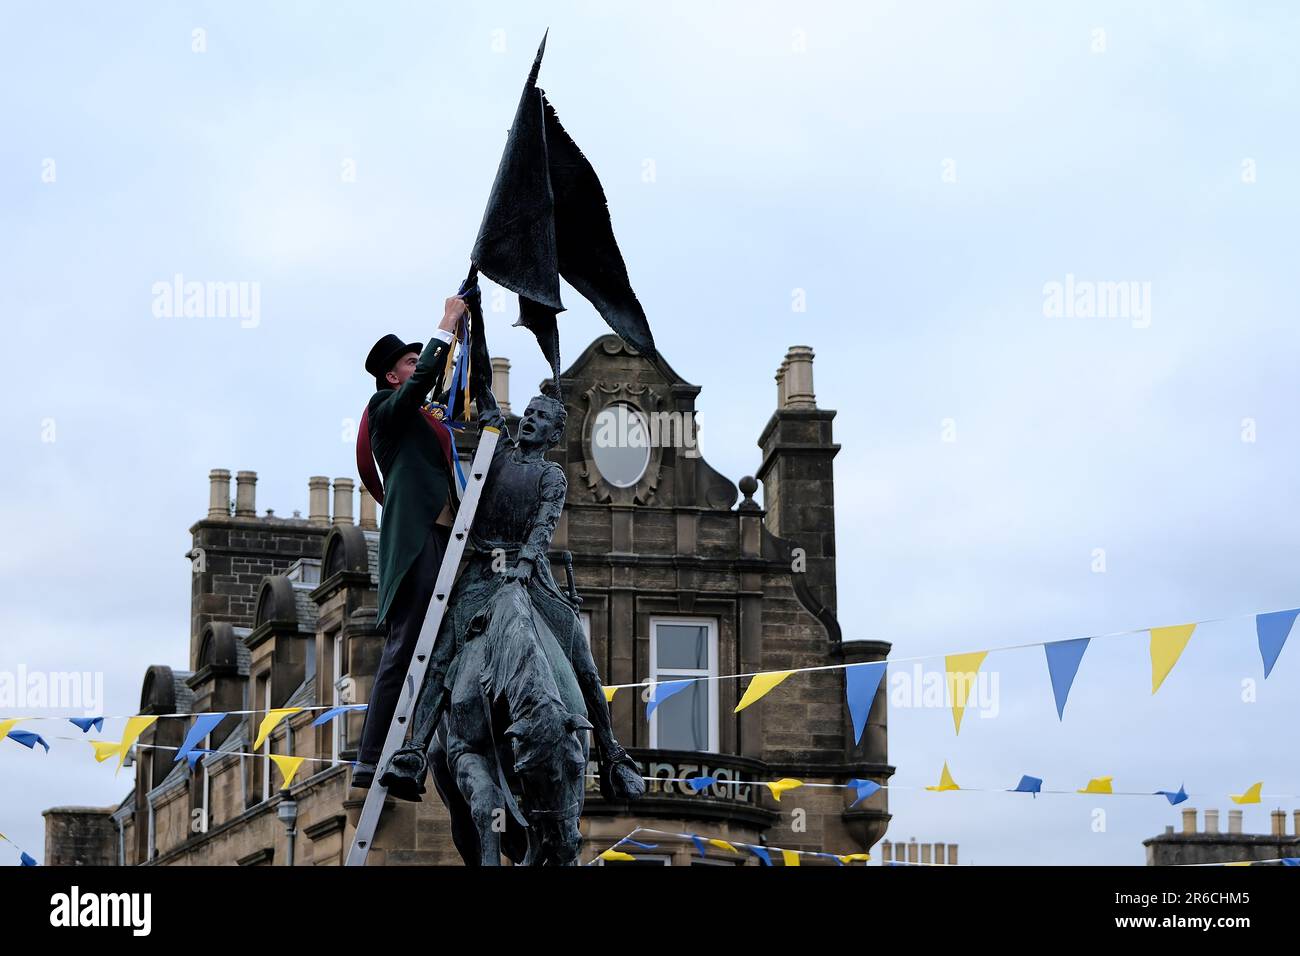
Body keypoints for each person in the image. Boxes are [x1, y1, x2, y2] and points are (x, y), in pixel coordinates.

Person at [381, 374, 646, 804]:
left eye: (542, 418)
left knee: (581, 657)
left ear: (554, 434)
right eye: (530, 412)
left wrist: (524, 566)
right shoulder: (497, 449)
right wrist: (476, 319)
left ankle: (613, 753)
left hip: (530, 575)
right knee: (441, 651)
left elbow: (543, 527)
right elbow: (482, 386)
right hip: (484, 570)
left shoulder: (551, 477)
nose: (531, 420)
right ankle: (413, 752)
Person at [351, 295, 468, 789]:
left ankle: (413, 755)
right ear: (393, 376)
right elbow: (426, 376)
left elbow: (436, 387)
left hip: (445, 535)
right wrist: (446, 323)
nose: (415, 365)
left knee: (439, 648)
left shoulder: (424, 415)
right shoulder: (386, 409)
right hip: (417, 537)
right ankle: (370, 758)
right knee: (405, 649)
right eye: (407, 360)